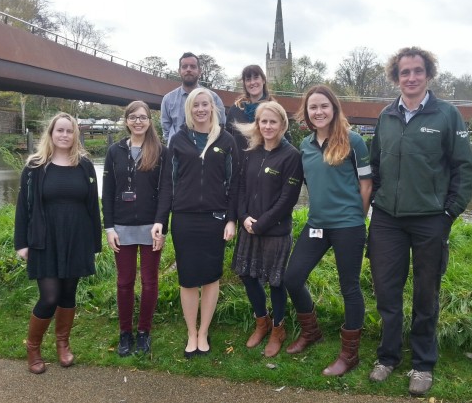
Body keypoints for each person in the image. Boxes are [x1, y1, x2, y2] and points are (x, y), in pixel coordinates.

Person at [368, 47, 472, 396]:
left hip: (431, 219)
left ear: (428, 75)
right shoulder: (385, 116)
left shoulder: (447, 114)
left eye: (417, 71)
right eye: (404, 72)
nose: (411, 78)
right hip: (387, 220)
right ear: (396, 77)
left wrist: (449, 213)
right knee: (386, 291)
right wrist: (377, 205)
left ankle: (422, 363)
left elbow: (465, 168)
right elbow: (375, 166)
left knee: (425, 293)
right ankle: (387, 357)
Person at [284, 85, 372, 377]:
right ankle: (312, 333)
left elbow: (366, 185)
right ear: (306, 113)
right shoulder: (306, 146)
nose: (318, 112)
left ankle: (349, 354)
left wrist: (356, 218)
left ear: (334, 109)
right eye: (313, 107)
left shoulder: (354, 141)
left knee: (350, 287)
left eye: (324, 106)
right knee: (293, 277)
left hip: (348, 225)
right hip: (316, 224)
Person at [152, 87, 239, 358]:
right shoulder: (178, 140)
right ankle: (191, 332)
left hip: (215, 218)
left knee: (211, 277)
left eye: (206, 104)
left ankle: (205, 331)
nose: (201, 109)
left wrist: (231, 219)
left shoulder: (226, 141)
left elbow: (235, 184)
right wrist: (160, 221)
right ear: (189, 109)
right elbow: (168, 184)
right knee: (188, 278)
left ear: (213, 108)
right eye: (196, 105)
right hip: (184, 218)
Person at [14, 112, 102, 374]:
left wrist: (94, 244)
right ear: (51, 134)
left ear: (76, 135)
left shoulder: (84, 165)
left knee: (68, 294)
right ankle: (33, 347)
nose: (64, 135)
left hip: (76, 237)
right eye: (59, 130)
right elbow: (23, 208)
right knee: (49, 297)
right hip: (45, 239)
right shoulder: (35, 166)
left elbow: (91, 207)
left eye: (69, 131)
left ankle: (62, 344)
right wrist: (22, 243)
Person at [230, 102, 303, 358]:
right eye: (264, 121)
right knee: (248, 276)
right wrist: (243, 217)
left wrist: (261, 224)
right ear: (257, 124)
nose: (268, 126)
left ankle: (278, 329)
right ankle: (261, 321)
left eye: (273, 122)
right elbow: (239, 187)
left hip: (275, 232)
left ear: (282, 125)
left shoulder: (292, 155)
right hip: (249, 227)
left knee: (275, 281)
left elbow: (288, 199)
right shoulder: (251, 152)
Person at [102, 101, 168, 357]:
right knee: (124, 281)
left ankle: (144, 332)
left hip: (152, 227)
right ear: (126, 121)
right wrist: (108, 227)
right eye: (133, 117)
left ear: (150, 121)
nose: (138, 121)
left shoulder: (161, 151)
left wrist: (162, 225)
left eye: (143, 117)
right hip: (121, 226)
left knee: (150, 282)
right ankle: (125, 333)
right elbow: (107, 193)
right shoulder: (114, 151)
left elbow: (165, 193)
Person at [161, 52, 226, 143]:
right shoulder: (168, 99)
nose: (188, 69)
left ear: (200, 71)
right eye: (184, 67)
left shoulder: (213, 98)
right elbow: (166, 127)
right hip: (177, 151)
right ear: (179, 71)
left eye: (193, 66)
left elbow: (220, 125)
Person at [226, 65, 274, 160]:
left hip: (265, 167)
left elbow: (285, 140)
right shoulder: (236, 109)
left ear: (263, 80)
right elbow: (227, 139)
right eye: (248, 79)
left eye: (256, 78)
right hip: (239, 167)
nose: (252, 82)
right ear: (244, 83)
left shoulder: (273, 109)